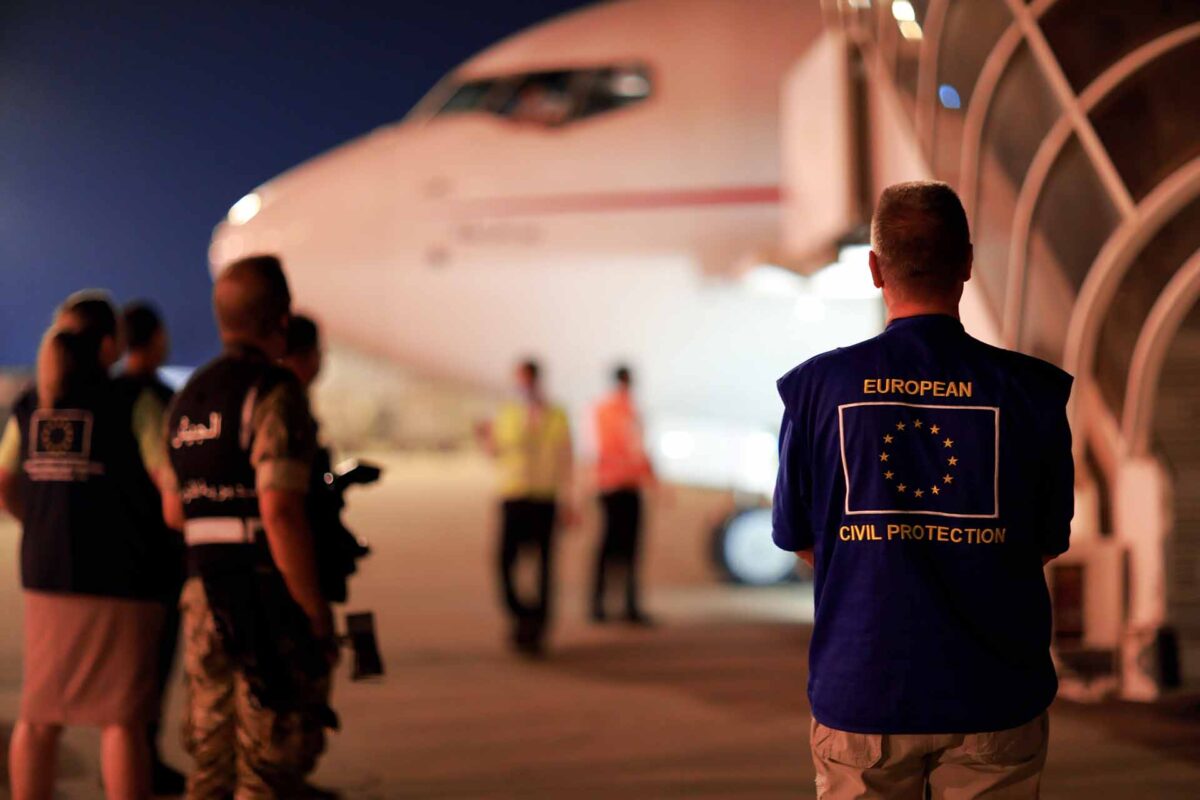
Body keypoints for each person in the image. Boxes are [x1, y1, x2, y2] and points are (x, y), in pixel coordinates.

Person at [772, 181, 1073, 799]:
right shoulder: (1033, 393)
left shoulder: (815, 389)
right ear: (966, 262)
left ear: (875, 268)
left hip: (863, 691)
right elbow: (1043, 541)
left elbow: (802, 539)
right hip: (993, 692)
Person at [161, 255, 336, 797]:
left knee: (211, 759)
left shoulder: (188, 399)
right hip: (266, 597)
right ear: (281, 320)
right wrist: (312, 608)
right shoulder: (273, 393)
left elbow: (174, 511)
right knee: (267, 766)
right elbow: (280, 511)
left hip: (203, 593)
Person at [0, 309, 169, 800]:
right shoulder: (132, 400)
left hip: (46, 575)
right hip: (121, 576)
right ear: (107, 346)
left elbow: (4, 480)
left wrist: (36, 519)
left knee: (39, 716)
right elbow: (167, 479)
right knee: (121, 721)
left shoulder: (33, 404)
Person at [114, 301, 187, 796]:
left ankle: (127, 760)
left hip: (110, 553)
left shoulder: (103, 395)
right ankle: (140, 763)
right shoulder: (160, 399)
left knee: (119, 676)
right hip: (157, 554)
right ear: (156, 338)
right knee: (151, 670)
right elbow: (173, 482)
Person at [480, 359, 574, 655]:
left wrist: (570, 499)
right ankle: (520, 611)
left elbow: (565, 456)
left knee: (545, 566)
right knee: (505, 561)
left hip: (545, 497)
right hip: (514, 494)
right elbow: (495, 451)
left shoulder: (557, 413)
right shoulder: (507, 413)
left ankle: (537, 629)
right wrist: (485, 438)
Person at [590, 364, 655, 624]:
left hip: (619, 486)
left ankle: (610, 605)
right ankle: (616, 605)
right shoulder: (621, 411)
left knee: (617, 549)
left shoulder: (613, 410)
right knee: (619, 549)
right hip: (619, 487)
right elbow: (631, 449)